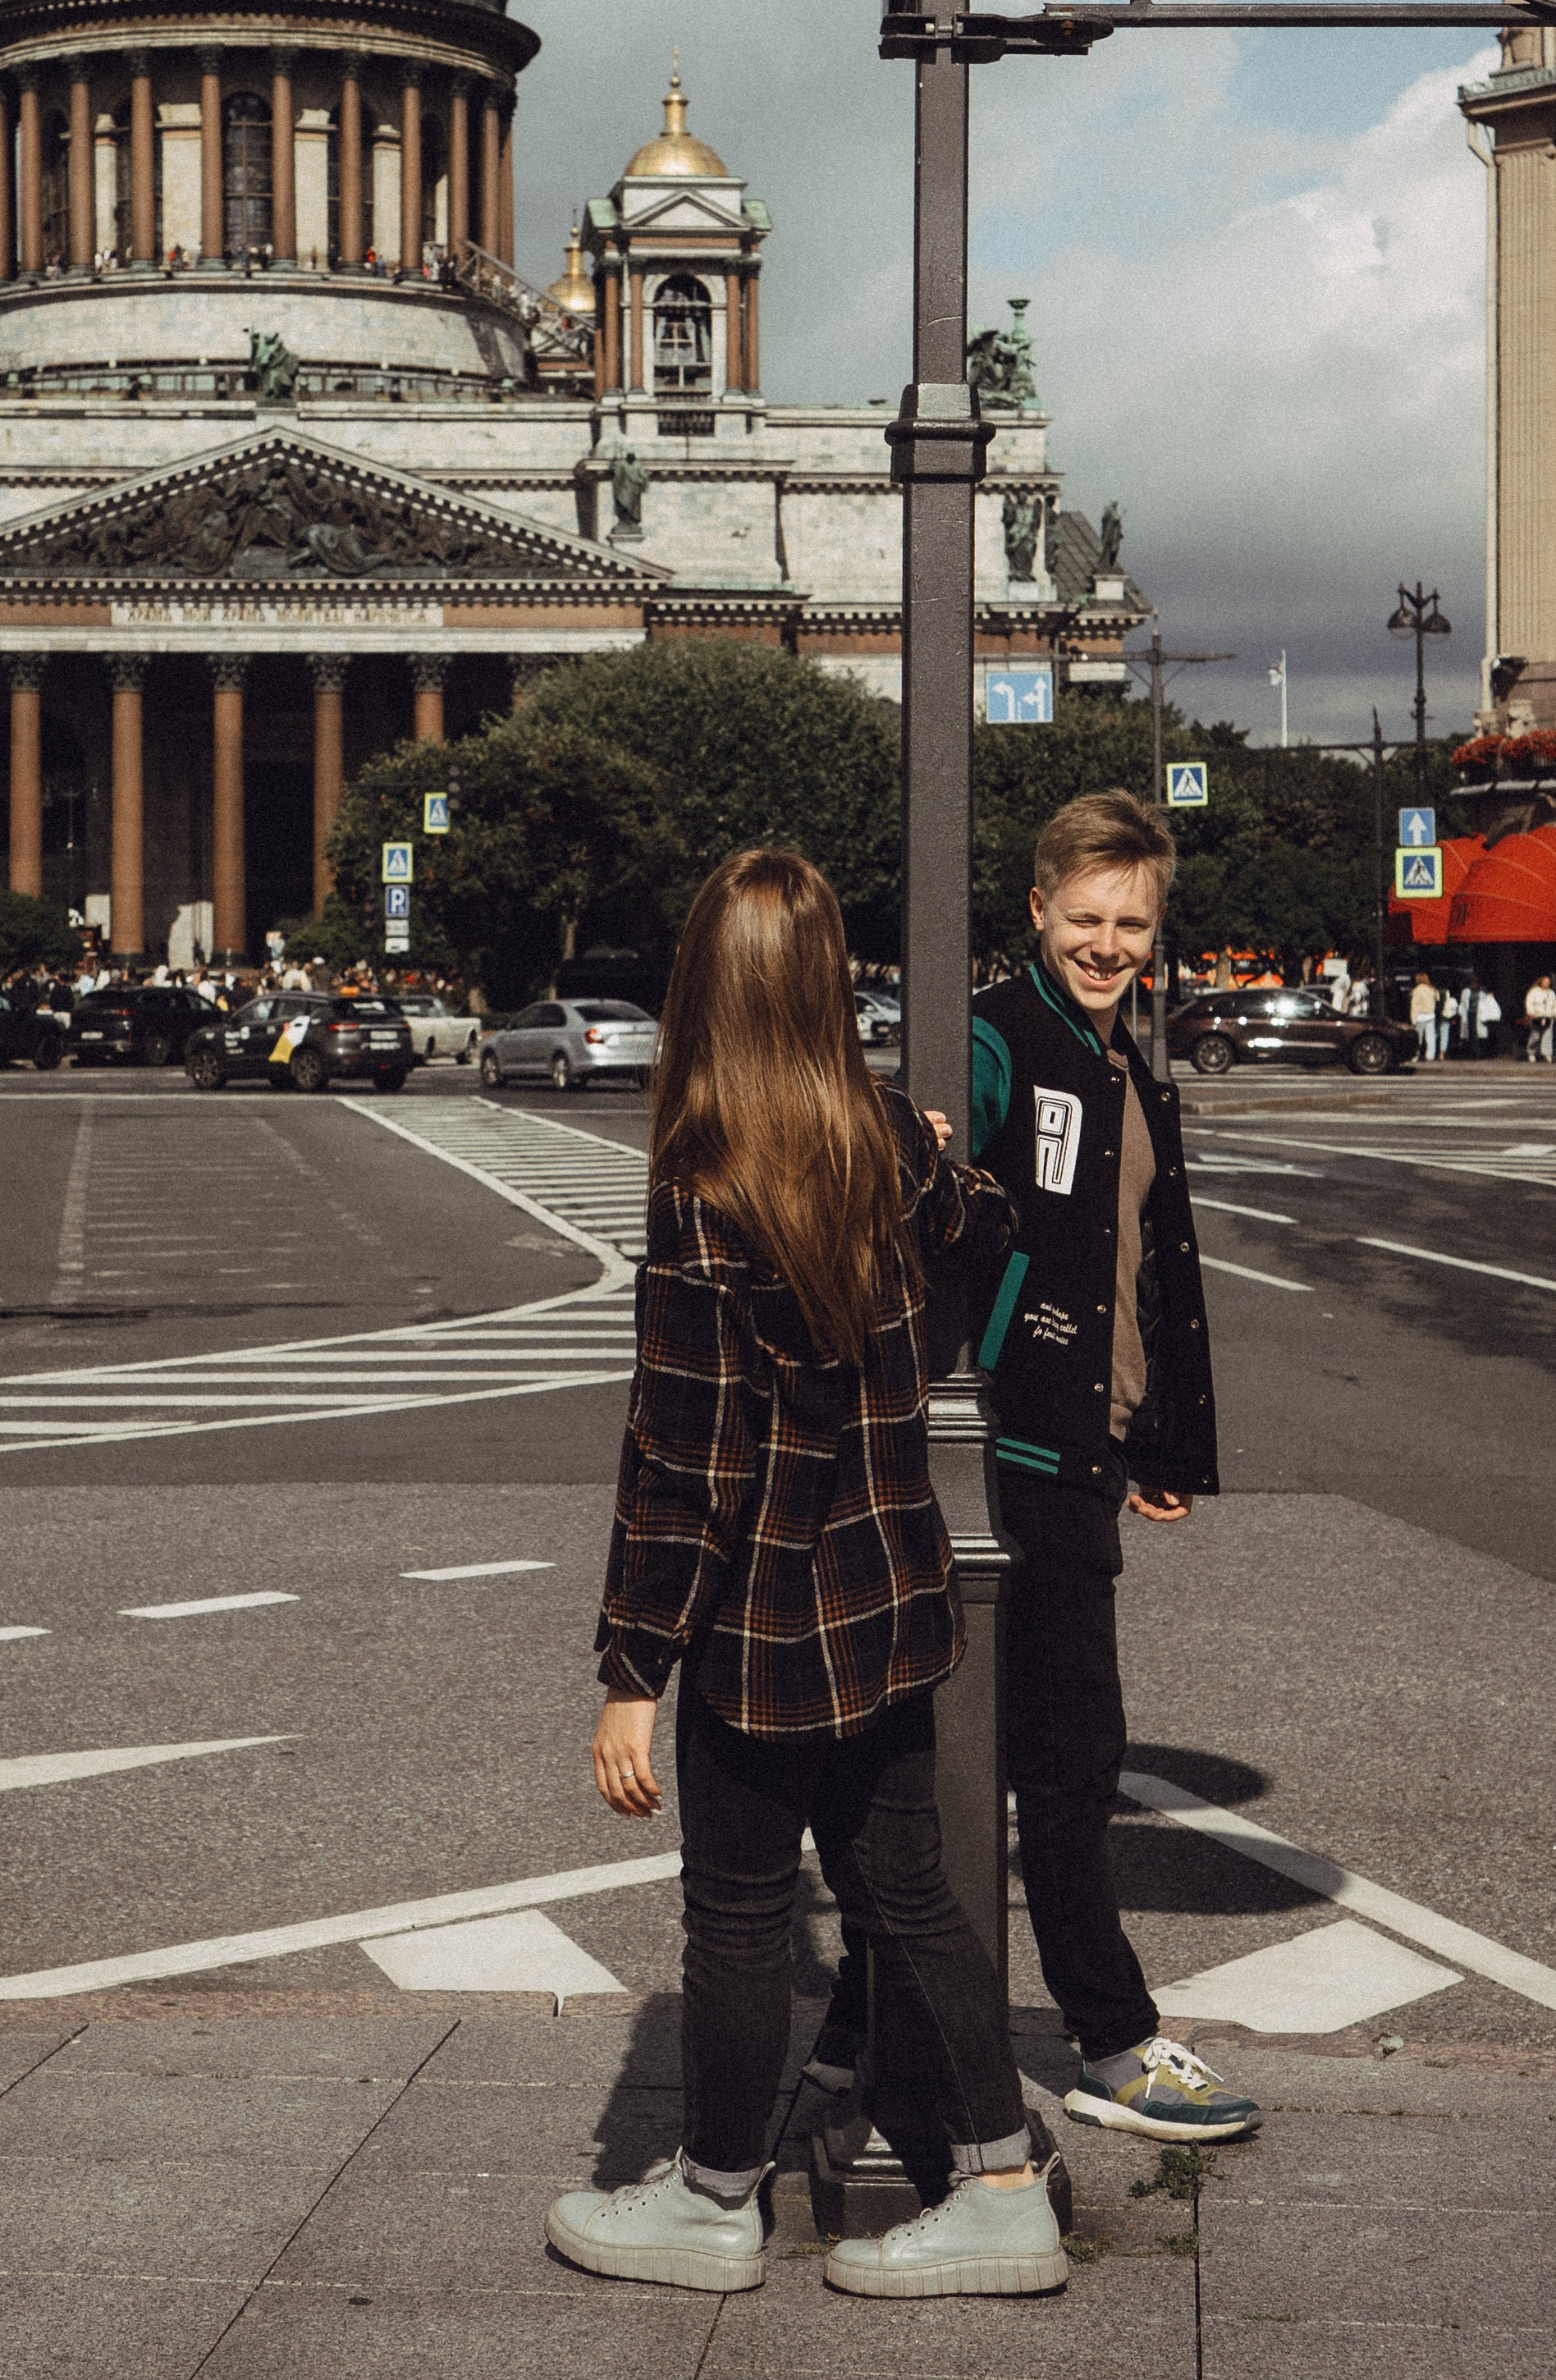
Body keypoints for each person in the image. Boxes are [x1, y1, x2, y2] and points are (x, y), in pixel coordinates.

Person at [547, 850, 1068, 2304]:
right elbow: (988, 1217)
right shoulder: (884, 1144)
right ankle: (1003, 2179)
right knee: (906, 1896)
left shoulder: (706, 1186)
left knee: (735, 1911)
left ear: (704, 989)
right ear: (829, 983)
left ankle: (715, 2195)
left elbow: (686, 1457)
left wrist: (630, 1668)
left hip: (766, 1624)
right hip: (887, 1597)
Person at [814, 793, 1261, 2148]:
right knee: (1062, 1758)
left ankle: (855, 2020)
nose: (1107, 941)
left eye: (1130, 921)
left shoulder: (1121, 1056)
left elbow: (1134, 1270)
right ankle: (1112, 2037)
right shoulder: (1005, 1035)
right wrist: (916, 1145)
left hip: (1075, 1445)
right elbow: (925, 1159)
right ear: (1035, 911)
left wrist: (1152, 1436)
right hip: (1003, 1448)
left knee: (961, 1748)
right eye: (1085, 917)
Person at [1527, 973, 1556, 1065]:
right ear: (1541, 982)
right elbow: (1529, 1002)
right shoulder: (1534, 992)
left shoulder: (1551, 993)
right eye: (1545, 982)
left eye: (1548, 982)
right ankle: (1531, 1053)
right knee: (1535, 1035)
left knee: (1547, 1036)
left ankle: (1547, 1054)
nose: (1547, 984)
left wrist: (1554, 1014)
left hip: (1548, 1017)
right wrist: (1531, 1013)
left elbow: (1555, 1005)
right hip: (1537, 1016)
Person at [1411, 972, 1439, 1062]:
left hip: (1420, 1016)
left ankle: (1415, 1056)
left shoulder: (1417, 990)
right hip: (1431, 1015)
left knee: (1418, 1038)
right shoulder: (1432, 989)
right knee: (1430, 1037)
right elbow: (1438, 999)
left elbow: (1414, 1005)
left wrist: (1413, 1018)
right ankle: (1430, 1056)